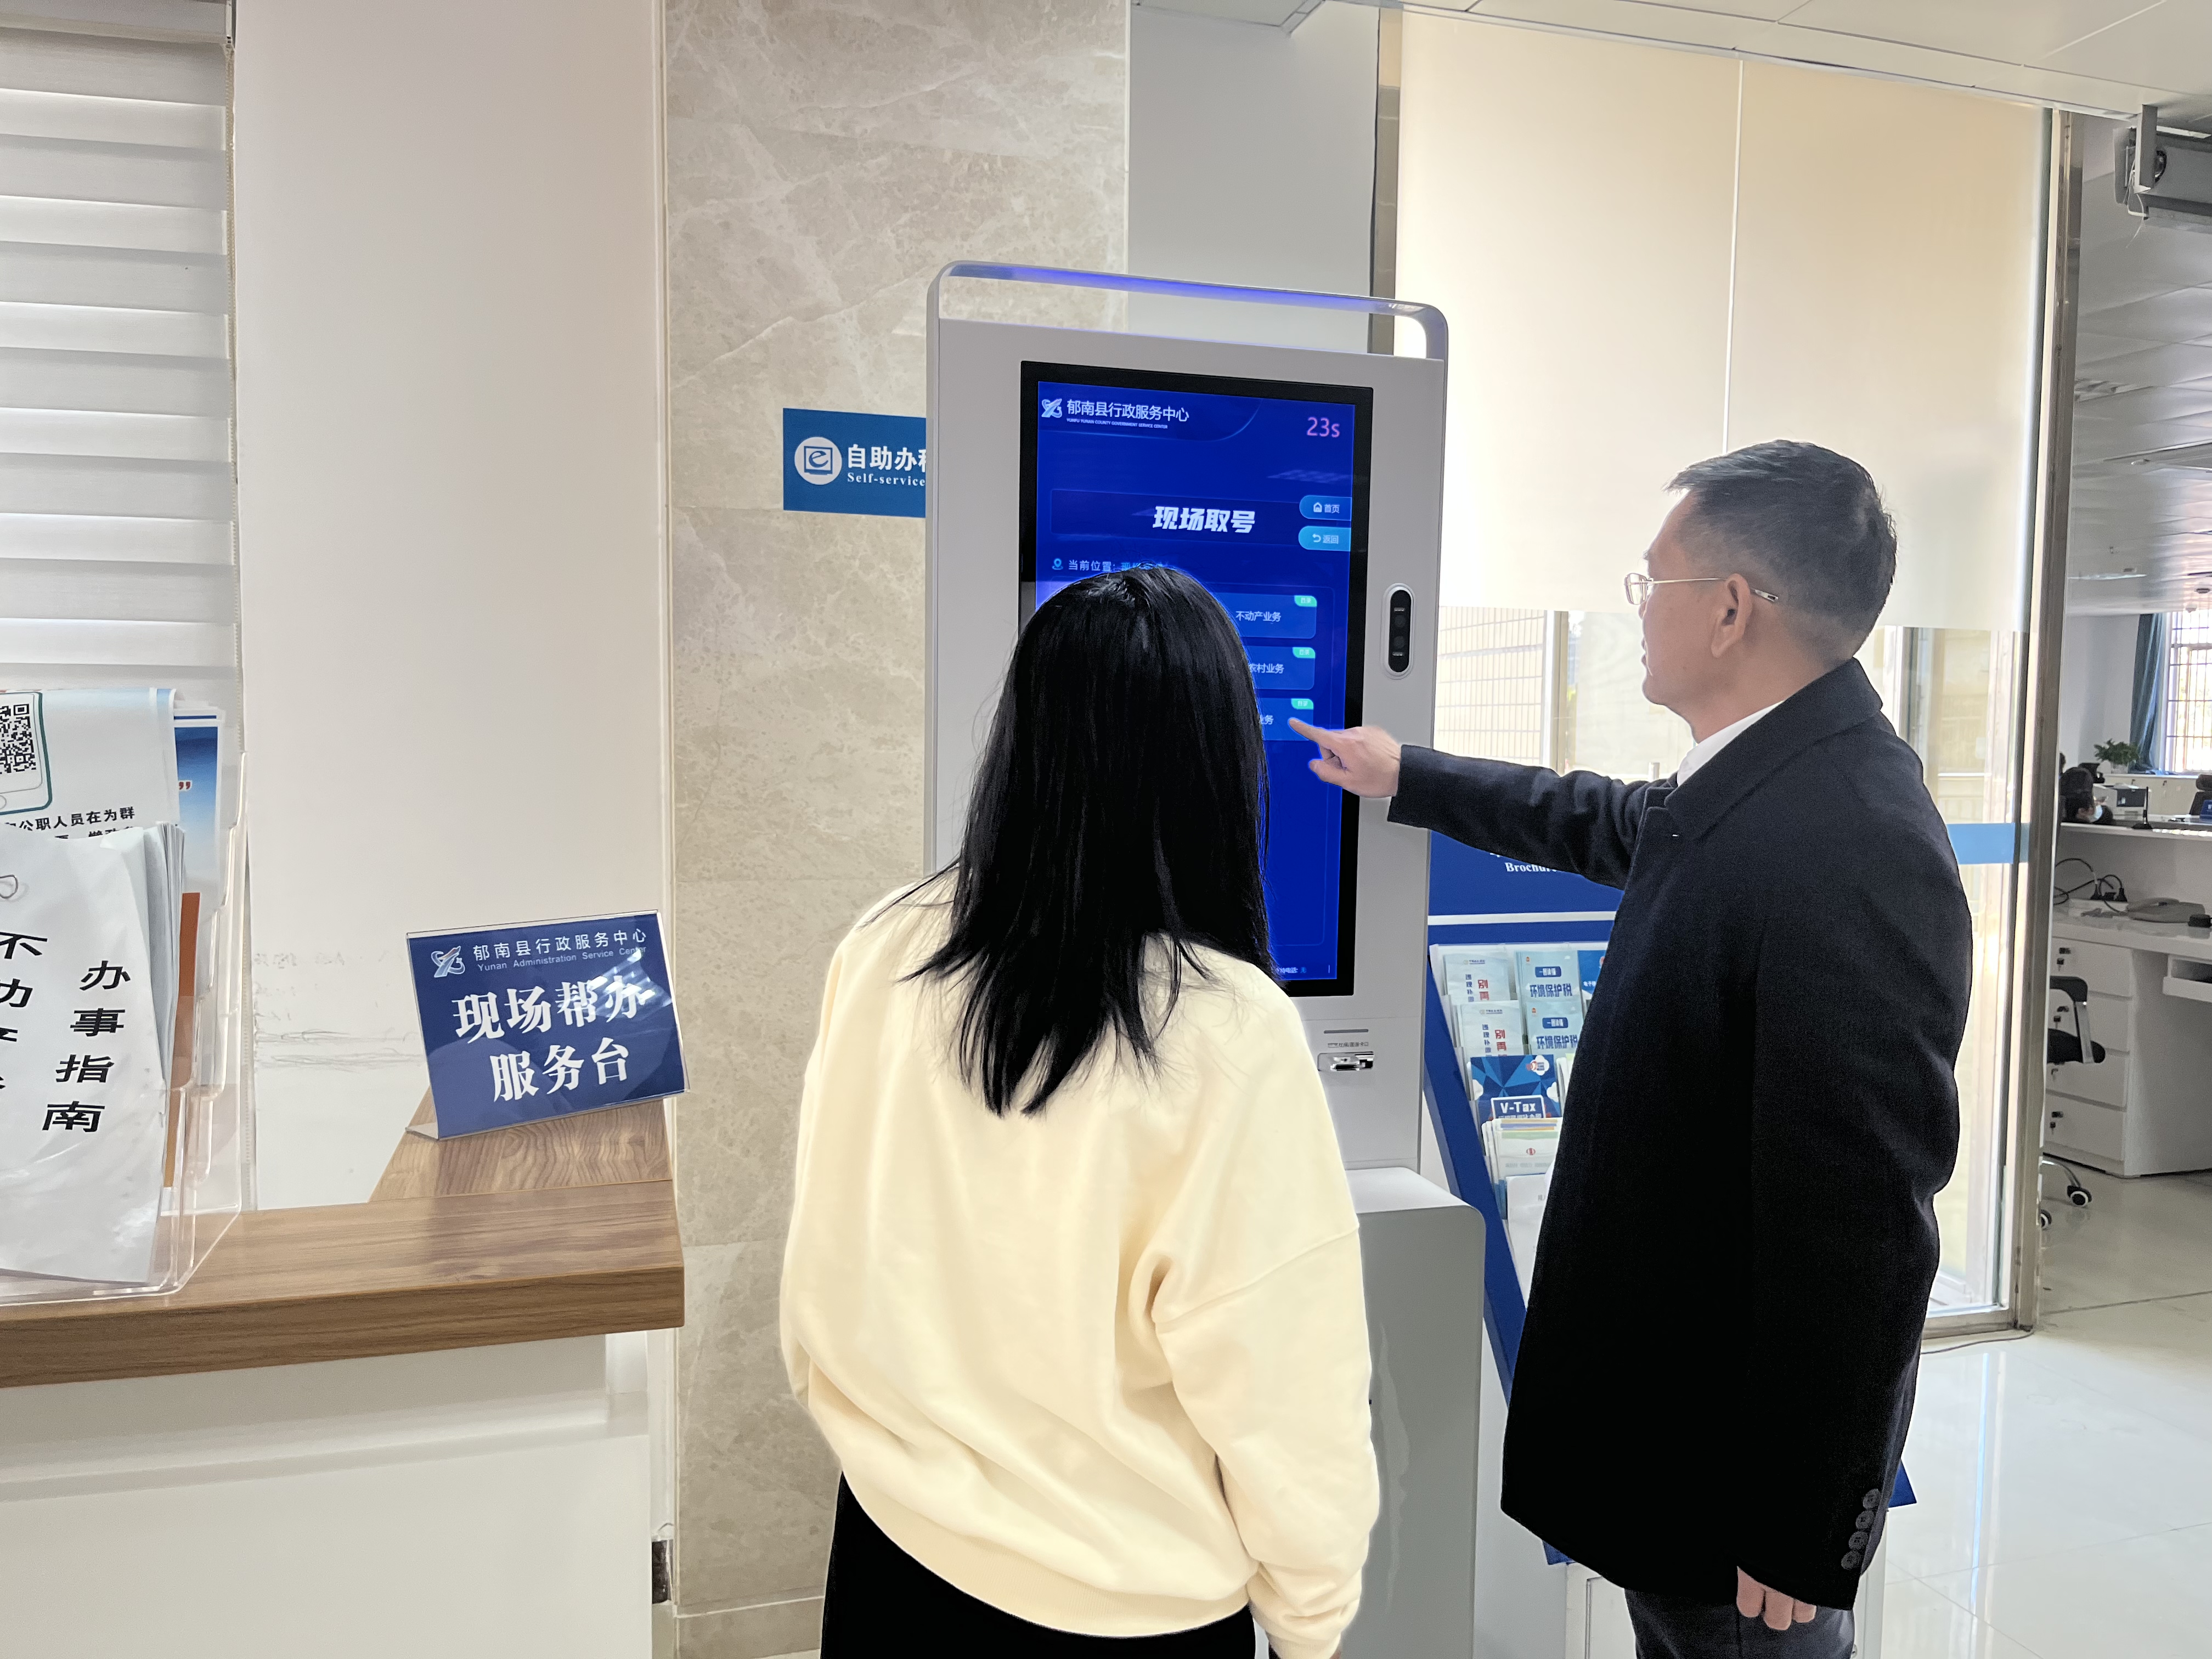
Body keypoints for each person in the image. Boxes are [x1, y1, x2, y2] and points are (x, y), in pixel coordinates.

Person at [1293, 441, 1971, 1658]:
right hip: (1679, 1458)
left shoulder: (1855, 838)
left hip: (1738, 1508)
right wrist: (1410, 777)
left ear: (1730, 609)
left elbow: (1865, 1223)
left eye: (1651, 580)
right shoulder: (1771, 778)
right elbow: (1611, 820)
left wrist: (1805, 1519)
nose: (1637, 608)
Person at [782, 565, 1379, 1659]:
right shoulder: (1226, 1029)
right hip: (1121, 1603)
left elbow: (825, 1241)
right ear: (1216, 766)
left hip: (888, 1555)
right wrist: (1311, 1616)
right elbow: (1288, 1393)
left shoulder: (884, 946)